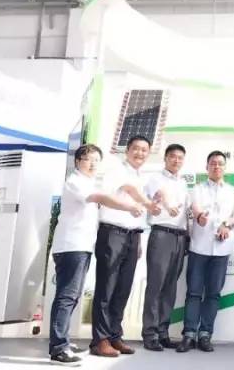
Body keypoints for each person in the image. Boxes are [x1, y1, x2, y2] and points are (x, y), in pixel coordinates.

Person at [49, 144, 143, 366]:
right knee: (66, 297)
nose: (92, 164)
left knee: (72, 297)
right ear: (77, 162)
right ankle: (58, 349)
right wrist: (129, 207)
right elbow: (101, 197)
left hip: (82, 246)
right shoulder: (75, 182)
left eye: (95, 160)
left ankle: (62, 341)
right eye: (87, 159)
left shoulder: (88, 181)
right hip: (71, 246)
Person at [90, 135, 160, 358]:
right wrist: (144, 204)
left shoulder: (142, 177)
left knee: (123, 289)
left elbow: (140, 209)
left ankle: (114, 335)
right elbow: (124, 191)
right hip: (112, 233)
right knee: (106, 288)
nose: (140, 153)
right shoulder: (116, 170)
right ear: (127, 150)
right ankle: (100, 340)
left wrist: (137, 240)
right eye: (136, 149)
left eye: (144, 150)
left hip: (132, 235)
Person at [177, 151, 234, 353]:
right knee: (194, 292)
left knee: (213, 294)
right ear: (207, 167)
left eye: (220, 163)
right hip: (199, 247)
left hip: (221, 250)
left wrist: (227, 225)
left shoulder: (232, 192)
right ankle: (189, 335)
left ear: (225, 168)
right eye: (213, 163)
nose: (216, 166)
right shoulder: (197, 189)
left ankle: (205, 334)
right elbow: (195, 208)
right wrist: (200, 217)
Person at [142, 144, 189, 351]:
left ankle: (163, 332)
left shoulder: (183, 183)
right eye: (172, 157)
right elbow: (160, 194)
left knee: (170, 287)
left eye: (180, 158)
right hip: (161, 234)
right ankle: (150, 334)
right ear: (165, 158)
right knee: (156, 285)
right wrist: (168, 205)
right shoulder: (155, 178)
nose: (176, 161)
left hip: (180, 237)